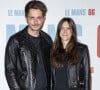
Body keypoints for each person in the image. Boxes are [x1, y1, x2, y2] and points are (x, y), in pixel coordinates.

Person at [5, 0, 53, 90]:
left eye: (39, 17)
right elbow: (10, 71)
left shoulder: (47, 39)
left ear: (44, 18)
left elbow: (51, 68)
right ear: (26, 18)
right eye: (32, 18)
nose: (36, 22)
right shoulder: (16, 40)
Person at [51, 17, 91, 90]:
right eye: (62, 28)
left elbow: (87, 76)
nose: (65, 31)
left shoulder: (82, 49)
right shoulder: (52, 49)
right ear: (58, 31)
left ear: (72, 31)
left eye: (68, 28)